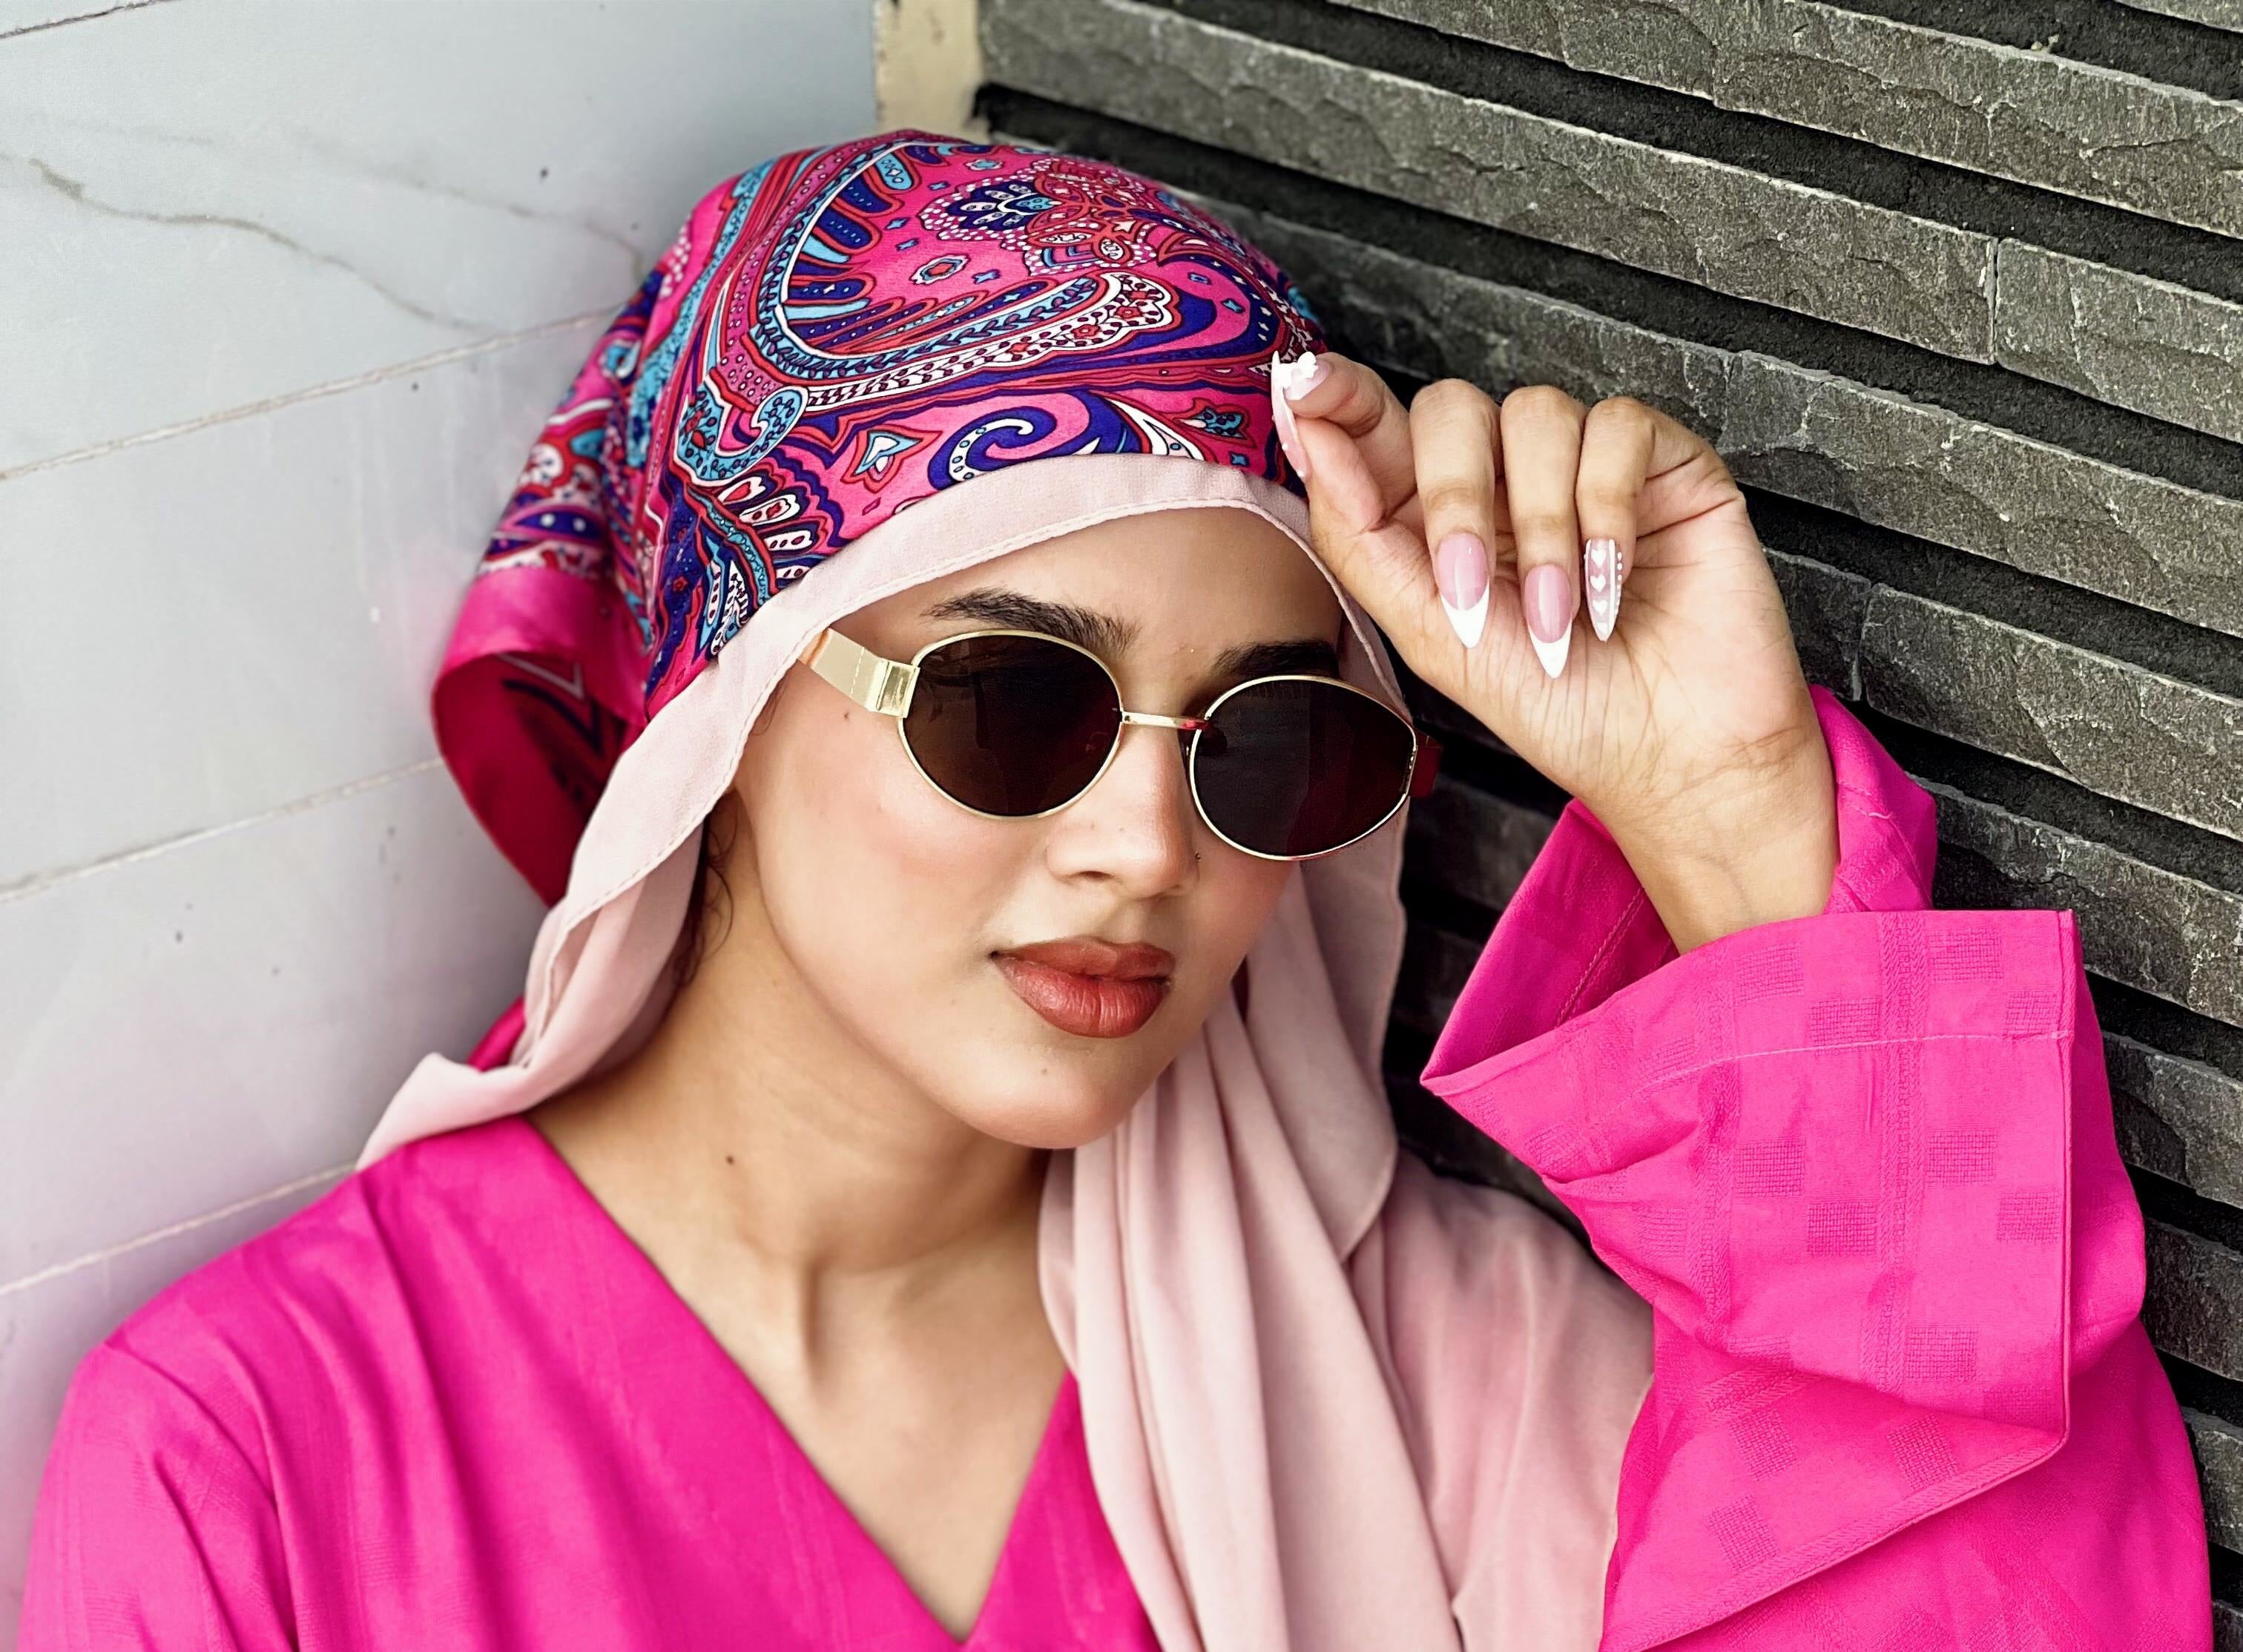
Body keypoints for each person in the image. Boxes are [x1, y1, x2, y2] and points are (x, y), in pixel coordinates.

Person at [20, 129, 2210, 1651]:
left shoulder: (1420, 1377)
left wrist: (1726, 816)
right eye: (1015, 707)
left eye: (1266, 745)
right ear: (729, 708)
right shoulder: (262, 1464)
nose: (1149, 849)